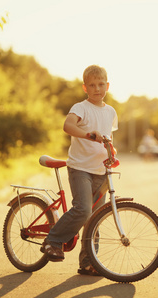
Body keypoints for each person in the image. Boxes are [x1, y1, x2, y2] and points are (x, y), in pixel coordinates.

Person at [40, 65, 118, 275]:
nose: (97, 88)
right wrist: (87, 134)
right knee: (83, 210)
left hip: (100, 172)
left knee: (94, 219)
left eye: (101, 84)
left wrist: (112, 151)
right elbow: (68, 126)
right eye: (92, 85)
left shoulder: (110, 111)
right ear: (85, 87)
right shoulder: (80, 107)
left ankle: (89, 262)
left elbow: (107, 137)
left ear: (107, 86)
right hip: (80, 169)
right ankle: (52, 241)